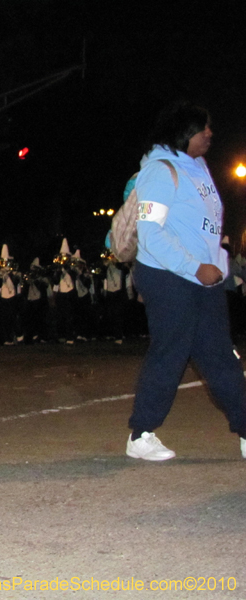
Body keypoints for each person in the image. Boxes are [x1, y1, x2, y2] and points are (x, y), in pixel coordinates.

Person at [126, 101, 246, 461]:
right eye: (201, 128)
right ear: (182, 132)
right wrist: (194, 267)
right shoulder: (160, 171)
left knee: (220, 356)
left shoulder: (199, 167)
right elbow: (151, 234)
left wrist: (217, 264)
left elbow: (205, 229)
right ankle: (141, 434)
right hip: (168, 277)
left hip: (203, 279)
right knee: (171, 352)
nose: (210, 133)